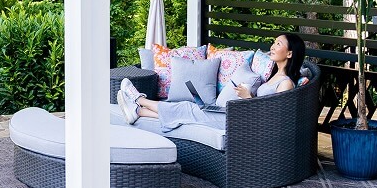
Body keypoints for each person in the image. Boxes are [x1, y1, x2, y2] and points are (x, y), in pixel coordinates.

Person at [116, 33, 306, 131]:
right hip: (235, 115)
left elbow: (275, 117)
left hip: (239, 122)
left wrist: (248, 97)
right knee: (190, 109)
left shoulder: (286, 83)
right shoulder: (273, 76)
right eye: (274, 42)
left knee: (187, 109)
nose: (272, 46)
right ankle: (138, 111)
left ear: (290, 53)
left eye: (278, 44)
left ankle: (138, 100)